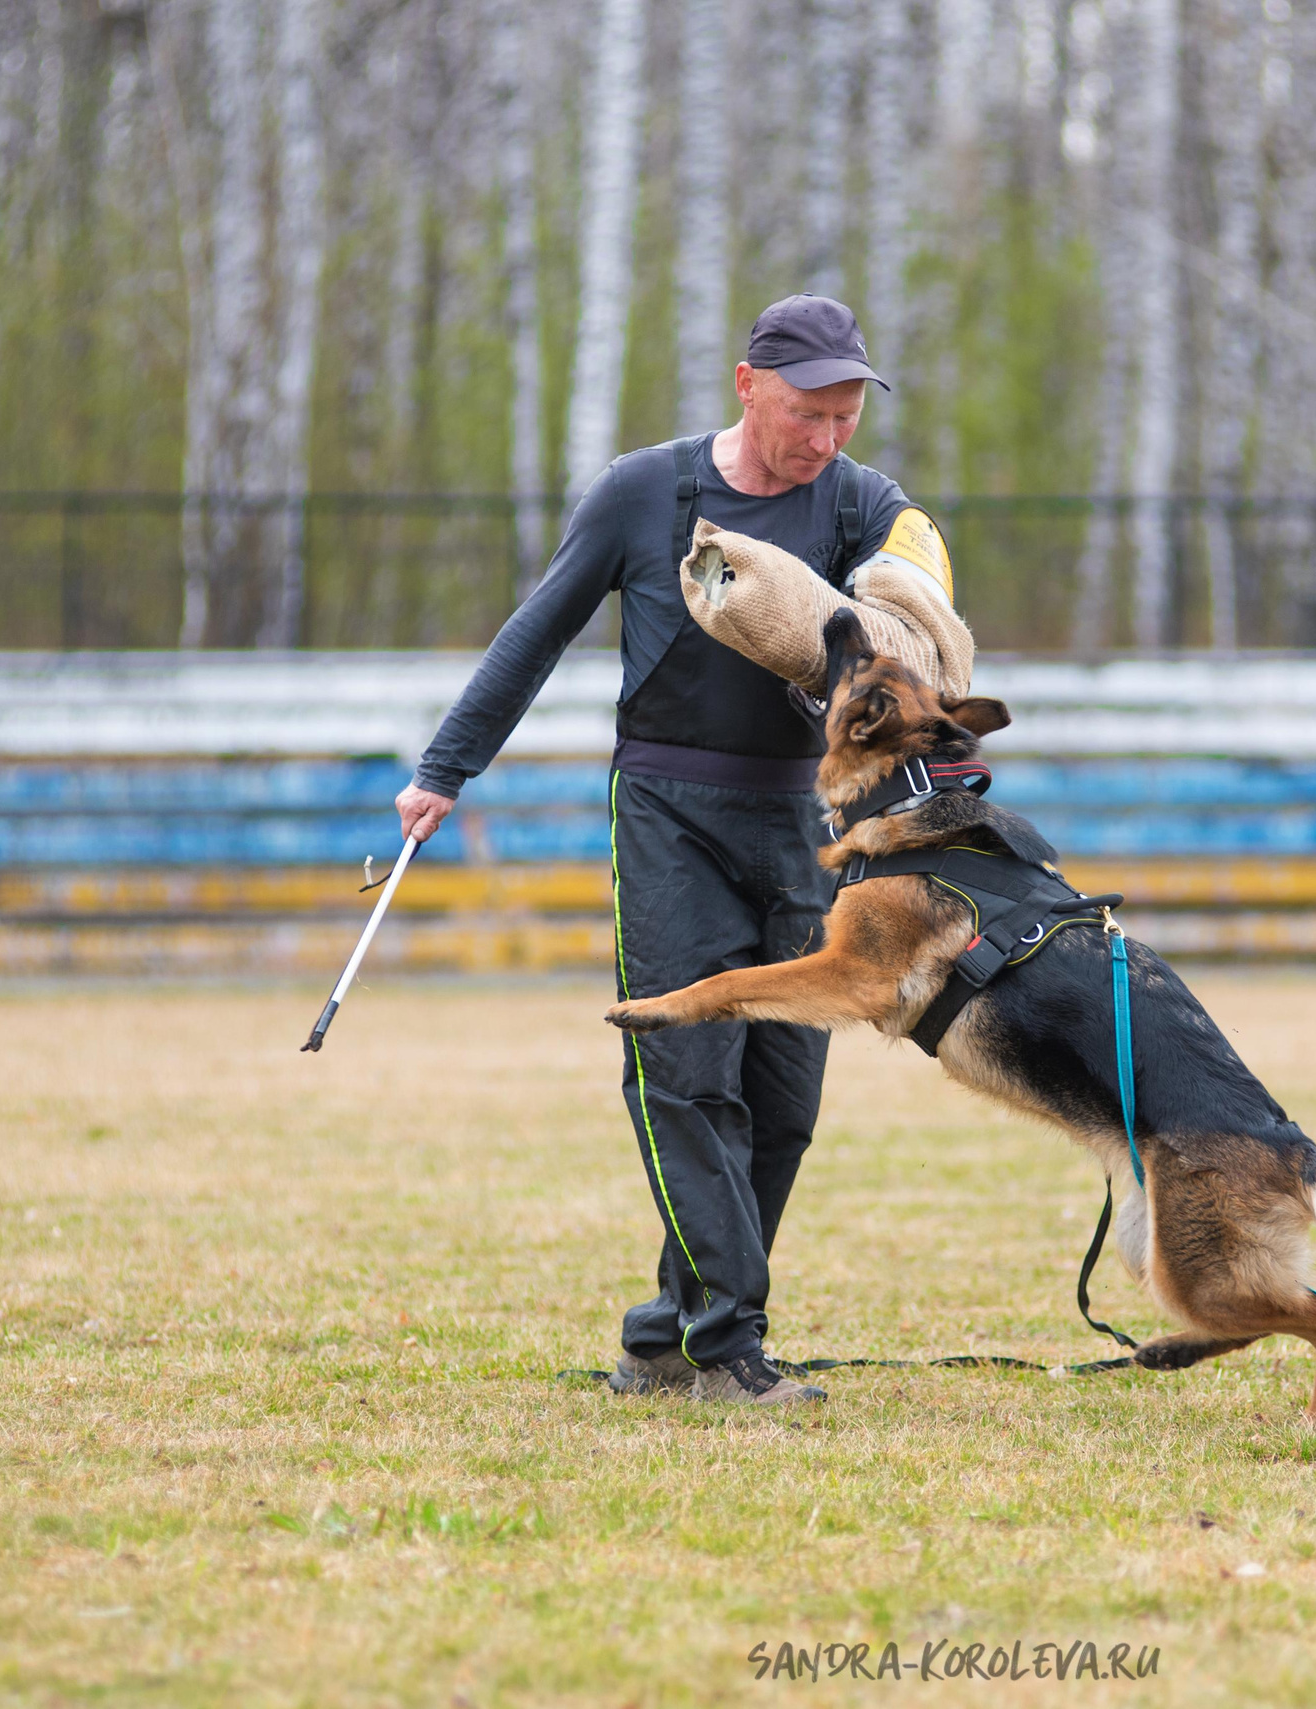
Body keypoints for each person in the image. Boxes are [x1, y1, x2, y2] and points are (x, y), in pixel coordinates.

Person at [394, 295, 948, 1408]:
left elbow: (913, 612)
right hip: (667, 810)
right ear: (747, 385)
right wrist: (446, 768)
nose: (826, 438)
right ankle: (726, 1344)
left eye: (845, 415)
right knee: (687, 1073)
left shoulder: (859, 502)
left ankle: (662, 1336)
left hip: (804, 824)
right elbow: (535, 631)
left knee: (783, 1098)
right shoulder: (642, 491)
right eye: (806, 412)